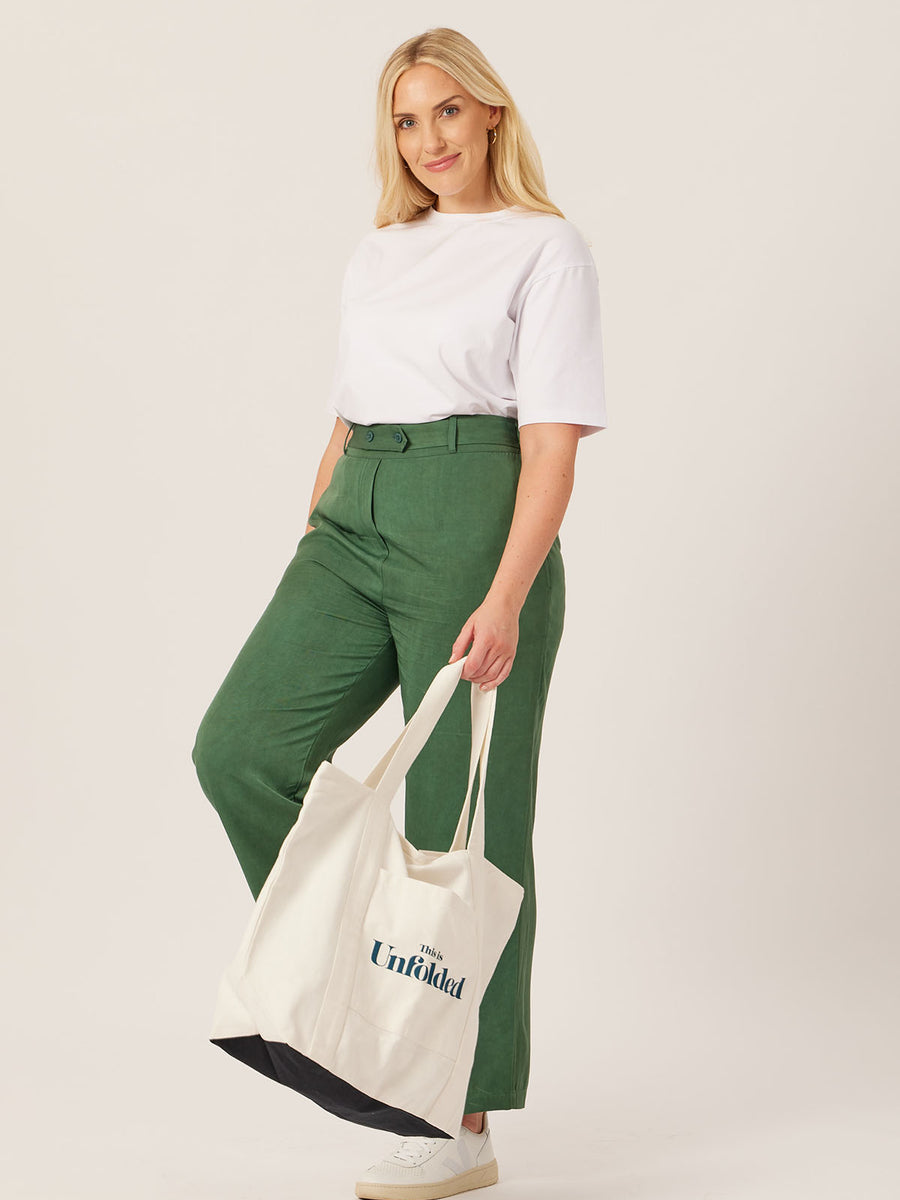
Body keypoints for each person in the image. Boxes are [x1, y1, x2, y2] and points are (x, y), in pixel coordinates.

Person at [191, 25, 607, 1200]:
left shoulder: (546, 247)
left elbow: (552, 447)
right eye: (406, 120)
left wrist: (508, 594)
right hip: (355, 511)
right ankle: (364, 996)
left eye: (447, 112)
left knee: (464, 833)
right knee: (239, 749)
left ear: (491, 112)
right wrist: (316, 531)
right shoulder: (379, 251)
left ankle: (459, 1117)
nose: (428, 139)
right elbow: (348, 406)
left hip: (477, 517)